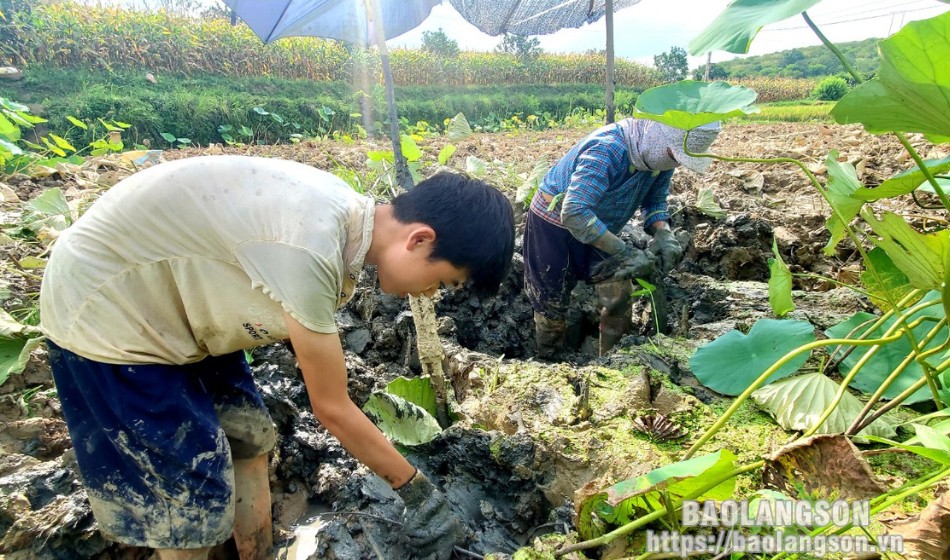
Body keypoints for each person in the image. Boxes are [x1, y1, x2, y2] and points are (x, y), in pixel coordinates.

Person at [39, 155, 516, 560]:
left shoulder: (345, 219)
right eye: (443, 281)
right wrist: (417, 491)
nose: (431, 294)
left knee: (251, 436)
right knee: (189, 505)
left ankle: (258, 553)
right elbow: (331, 408)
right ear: (419, 239)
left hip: (180, 301)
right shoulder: (311, 246)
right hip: (108, 310)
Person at [523, 118, 720, 357]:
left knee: (620, 296)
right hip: (553, 227)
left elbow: (655, 202)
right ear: (659, 140)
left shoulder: (660, 159)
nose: (676, 163)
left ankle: (610, 359)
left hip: (602, 228)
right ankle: (550, 359)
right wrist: (626, 253)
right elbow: (574, 212)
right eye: (674, 155)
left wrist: (663, 232)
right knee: (550, 302)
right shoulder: (608, 148)